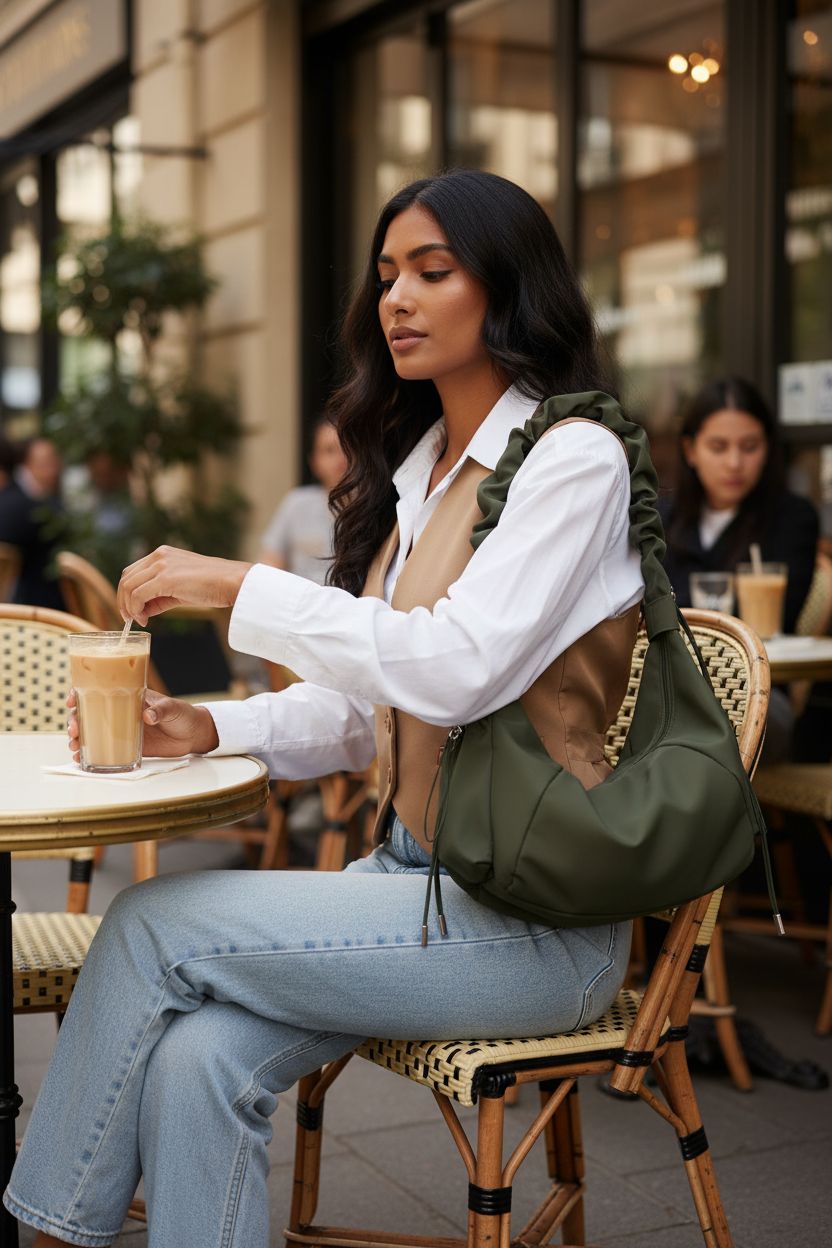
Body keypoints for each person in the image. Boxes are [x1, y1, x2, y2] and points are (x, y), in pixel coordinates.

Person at [7, 170, 645, 1248]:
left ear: (508, 288)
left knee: (149, 922)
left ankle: (53, 1230)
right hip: (412, 886)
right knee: (196, 1060)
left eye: (431, 272)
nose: (396, 296)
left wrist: (240, 587)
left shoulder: (571, 460)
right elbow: (373, 712)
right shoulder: (426, 476)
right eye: (387, 273)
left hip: (534, 924)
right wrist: (211, 725)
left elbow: (452, 669)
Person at [660, 376, 818, 634]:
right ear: (690, 451)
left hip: (760, 670)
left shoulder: (792, 518)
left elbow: (781, 618)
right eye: (718, 447)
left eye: (749, 447)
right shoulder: (661, 519)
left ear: (767, 449)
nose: (734, 462)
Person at [259, 416, 348, 584]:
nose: (340, 459)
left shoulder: (374, 510)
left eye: (347, 448)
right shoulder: (296, 503)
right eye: (329, 450)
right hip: (299, 605)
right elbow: (270, 563)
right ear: (314, 462)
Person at [0, 435, 67, 610]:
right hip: (39, 610)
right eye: (44, 463)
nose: (53, 469)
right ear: (25, 465)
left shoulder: (28, 502)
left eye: (54, 461)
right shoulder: (33, 508)